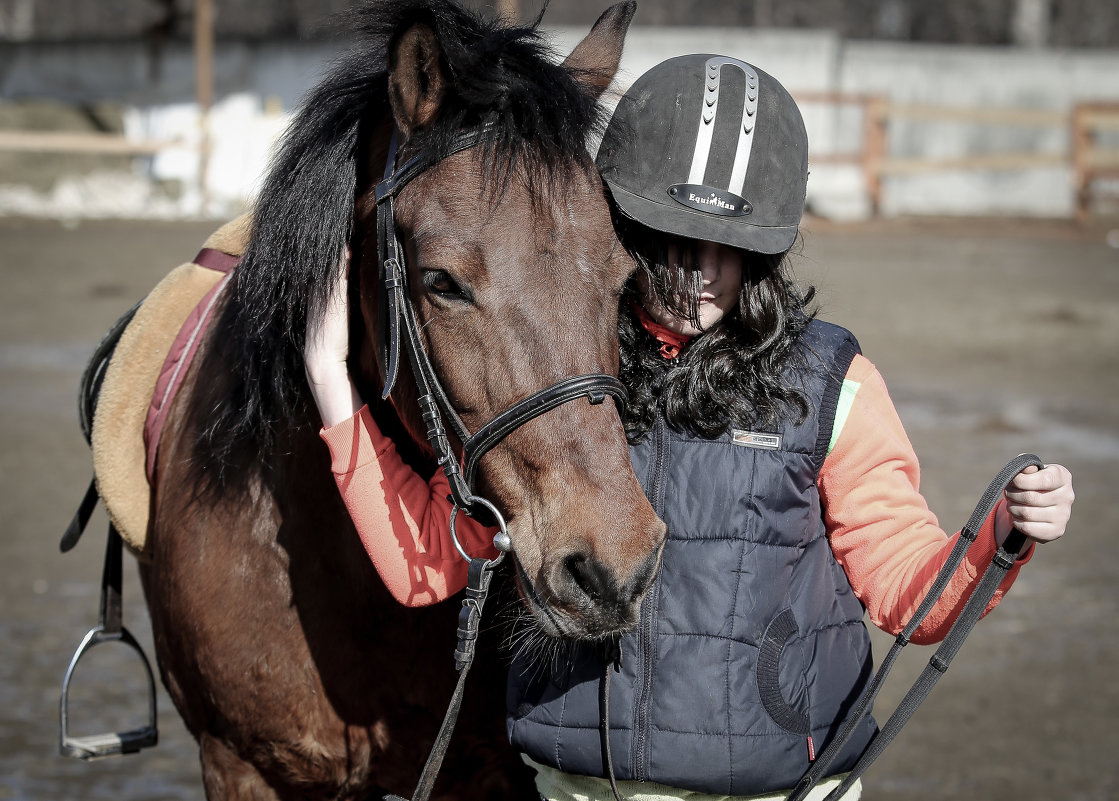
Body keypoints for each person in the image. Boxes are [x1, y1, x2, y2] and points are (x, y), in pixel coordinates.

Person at [305, 54, 1075, 801]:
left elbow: (908, 592)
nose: (697, 270)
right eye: (667, 238)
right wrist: (332, 385)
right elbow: (429, 563)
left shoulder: (832, 385)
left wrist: (998, 534)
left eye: (726, 248)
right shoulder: (553, 373)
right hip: (577, 788)